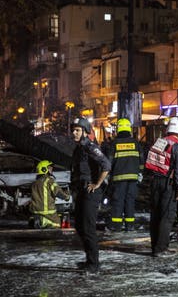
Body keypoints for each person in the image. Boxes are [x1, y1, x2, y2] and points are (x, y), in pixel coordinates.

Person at [70, 117, 111, 273]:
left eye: (78, 130)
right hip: (81, 190)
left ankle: (94, 264)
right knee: (80, 226)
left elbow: (106, 165)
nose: (74, 132)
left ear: (85, 132)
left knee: (88, 228)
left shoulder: (90, 147)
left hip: (90, 192)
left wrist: (98, 183)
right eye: (73, 129)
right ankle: (89, 260)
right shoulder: (78, 148)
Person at [145, 116, 178, 257]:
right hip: (168, 184)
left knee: (155, 215)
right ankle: (161, 248)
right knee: (167, 216)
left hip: (154, 181)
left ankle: (155, 246)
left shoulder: (159, 142)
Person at [105, 118, 143, 232]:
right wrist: (140, 173)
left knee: (118, 201)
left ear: (118, 129)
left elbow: (109, 161)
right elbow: (142, 159)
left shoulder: (115, 144)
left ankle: (116, 226)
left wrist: (106, 175)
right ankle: (129, 225)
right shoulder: (136, 143)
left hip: (118, 178)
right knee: (130, 201)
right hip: (133, 178)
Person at [28, 160, 71, 229]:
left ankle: (36, 220)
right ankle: (43, 221)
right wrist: (67, 197)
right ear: (44, 169)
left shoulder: (34, 183)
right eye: (49, 168)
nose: (51, 169)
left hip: (35, 211)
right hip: (47, 211)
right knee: (57, 224)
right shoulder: (49, 180)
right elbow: (58, 192)